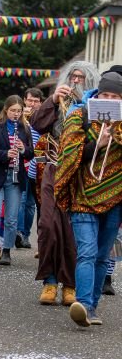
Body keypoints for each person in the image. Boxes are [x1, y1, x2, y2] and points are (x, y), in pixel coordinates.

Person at [55, 70, 122, 327]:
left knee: (103, 256)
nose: (109, 99)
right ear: (98, 93)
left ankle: (92, 308)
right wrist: (99, 144)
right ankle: (81, 304)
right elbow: (68, 156)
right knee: (87, 252)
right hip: (83, 196)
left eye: (115, 96)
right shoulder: (78, 115)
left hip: (115, 198)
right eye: (105, 94)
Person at [31, 61, 101, 306]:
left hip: (81, 175)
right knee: (48, 225)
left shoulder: (95, 106)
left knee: (73, 232)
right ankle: (50, 281)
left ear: (90, 81)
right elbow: (37, 125)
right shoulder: (57, 102)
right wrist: (51, 101)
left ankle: (70, 285)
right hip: (54, 169)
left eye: (81, 78)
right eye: (73, 76)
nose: (75, 81)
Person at [0, 95, 34, 267]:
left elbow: (31, 153)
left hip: (15, 177)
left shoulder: (25, 129)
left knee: (11, 218)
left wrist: (23, 149)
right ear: (6, 109)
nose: (16, 114)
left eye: (19, 111)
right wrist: (5, 154)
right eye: (13, 111)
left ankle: (6, 251)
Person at [15, 88, 43, 250]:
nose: (32, 104)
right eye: (30, 100)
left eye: (36, 101)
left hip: (36, 166)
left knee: (31, 203)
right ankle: (19, 233)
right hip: (21, 163)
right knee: (22, 199)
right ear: (25, 100)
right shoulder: (19, 116)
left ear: (40, 102)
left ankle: (25, 234)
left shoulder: (43, 117)